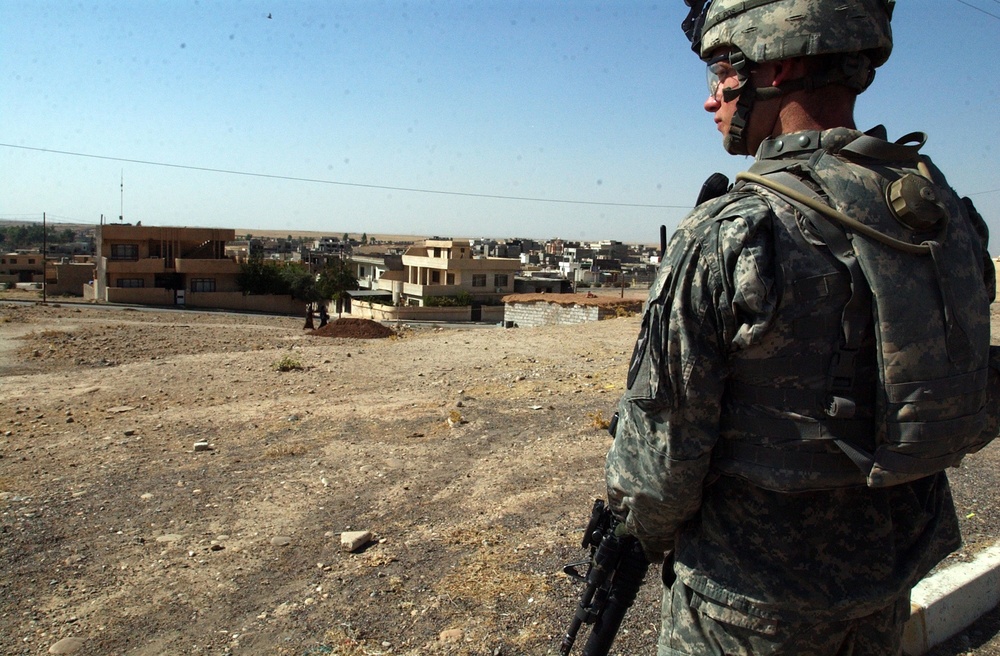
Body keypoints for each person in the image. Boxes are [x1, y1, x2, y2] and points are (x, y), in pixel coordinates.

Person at [605, 1, 999, 654]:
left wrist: (640, 532)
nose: (711, 101)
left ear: (778, 65)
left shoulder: (731, 232)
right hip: (885, 584)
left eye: (721, 74)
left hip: (745, 609)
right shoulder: (942, 215)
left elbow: (660, 469)